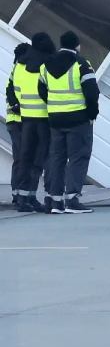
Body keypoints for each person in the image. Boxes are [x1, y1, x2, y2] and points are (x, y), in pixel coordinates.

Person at [39, 31, 99, 214]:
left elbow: (41, 90)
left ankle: (56, 201)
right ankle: (72, 200)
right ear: (77, 46)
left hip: (55, 119)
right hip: (78, 119)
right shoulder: (82, 65)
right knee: (78, 157)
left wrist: (54, 106)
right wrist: (92, 114)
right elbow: (92, 93)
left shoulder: (46, 65)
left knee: (56, 158)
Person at [11, 35, 53, 213]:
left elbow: (11, 88)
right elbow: (48, 90)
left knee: (25, 159)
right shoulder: (47, 64)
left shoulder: (19, 65)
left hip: (25, 118)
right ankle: (33, 196)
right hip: (43, 117)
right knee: (40, 159)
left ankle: (22, 199)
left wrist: (18, 106)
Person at [5, 42, 29, 208]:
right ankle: (21, 194)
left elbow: (10, 93)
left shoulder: (14, 71)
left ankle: (17, 193)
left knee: (18, 159)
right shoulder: (23, 70)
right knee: (23, 159)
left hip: (13, 121)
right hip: (21, 120)